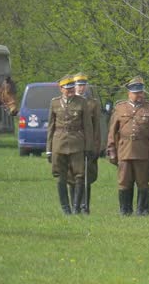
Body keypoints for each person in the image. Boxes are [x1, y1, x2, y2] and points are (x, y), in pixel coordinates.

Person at [107, 76, 149, 216]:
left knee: (143, 182)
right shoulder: (120, 108)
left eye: (141, 92)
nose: (139, 96)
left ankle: (143, 210)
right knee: (124, 181)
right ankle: (125, 210)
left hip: (143, 151)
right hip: (124, 150)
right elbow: (112, 132)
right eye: (136, 93)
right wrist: (111, 150)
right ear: (129, 93)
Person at [46, 75, 93, 215]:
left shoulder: (81, 102)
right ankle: (65, 208)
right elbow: (50, 127)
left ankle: (76, 207)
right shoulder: (54, 103)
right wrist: (49, 149)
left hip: (77, 143)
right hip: (59, 144)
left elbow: (88, 126)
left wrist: (88, 147)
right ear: (61, 89)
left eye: (72, 88)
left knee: (79, 176)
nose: (71, 91)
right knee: (60, 176)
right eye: (67, 89)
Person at [63, 72, 101, 215]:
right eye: (79, 85)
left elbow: (96, 126)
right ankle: (74, 205)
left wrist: (96, 146)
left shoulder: (92, 103)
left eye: (83, 85)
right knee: (71, 175)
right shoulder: (68, 101)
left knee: (86, 175)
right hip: (71, 144)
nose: (81, 88)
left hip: (87, 144)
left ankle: (85, 206)